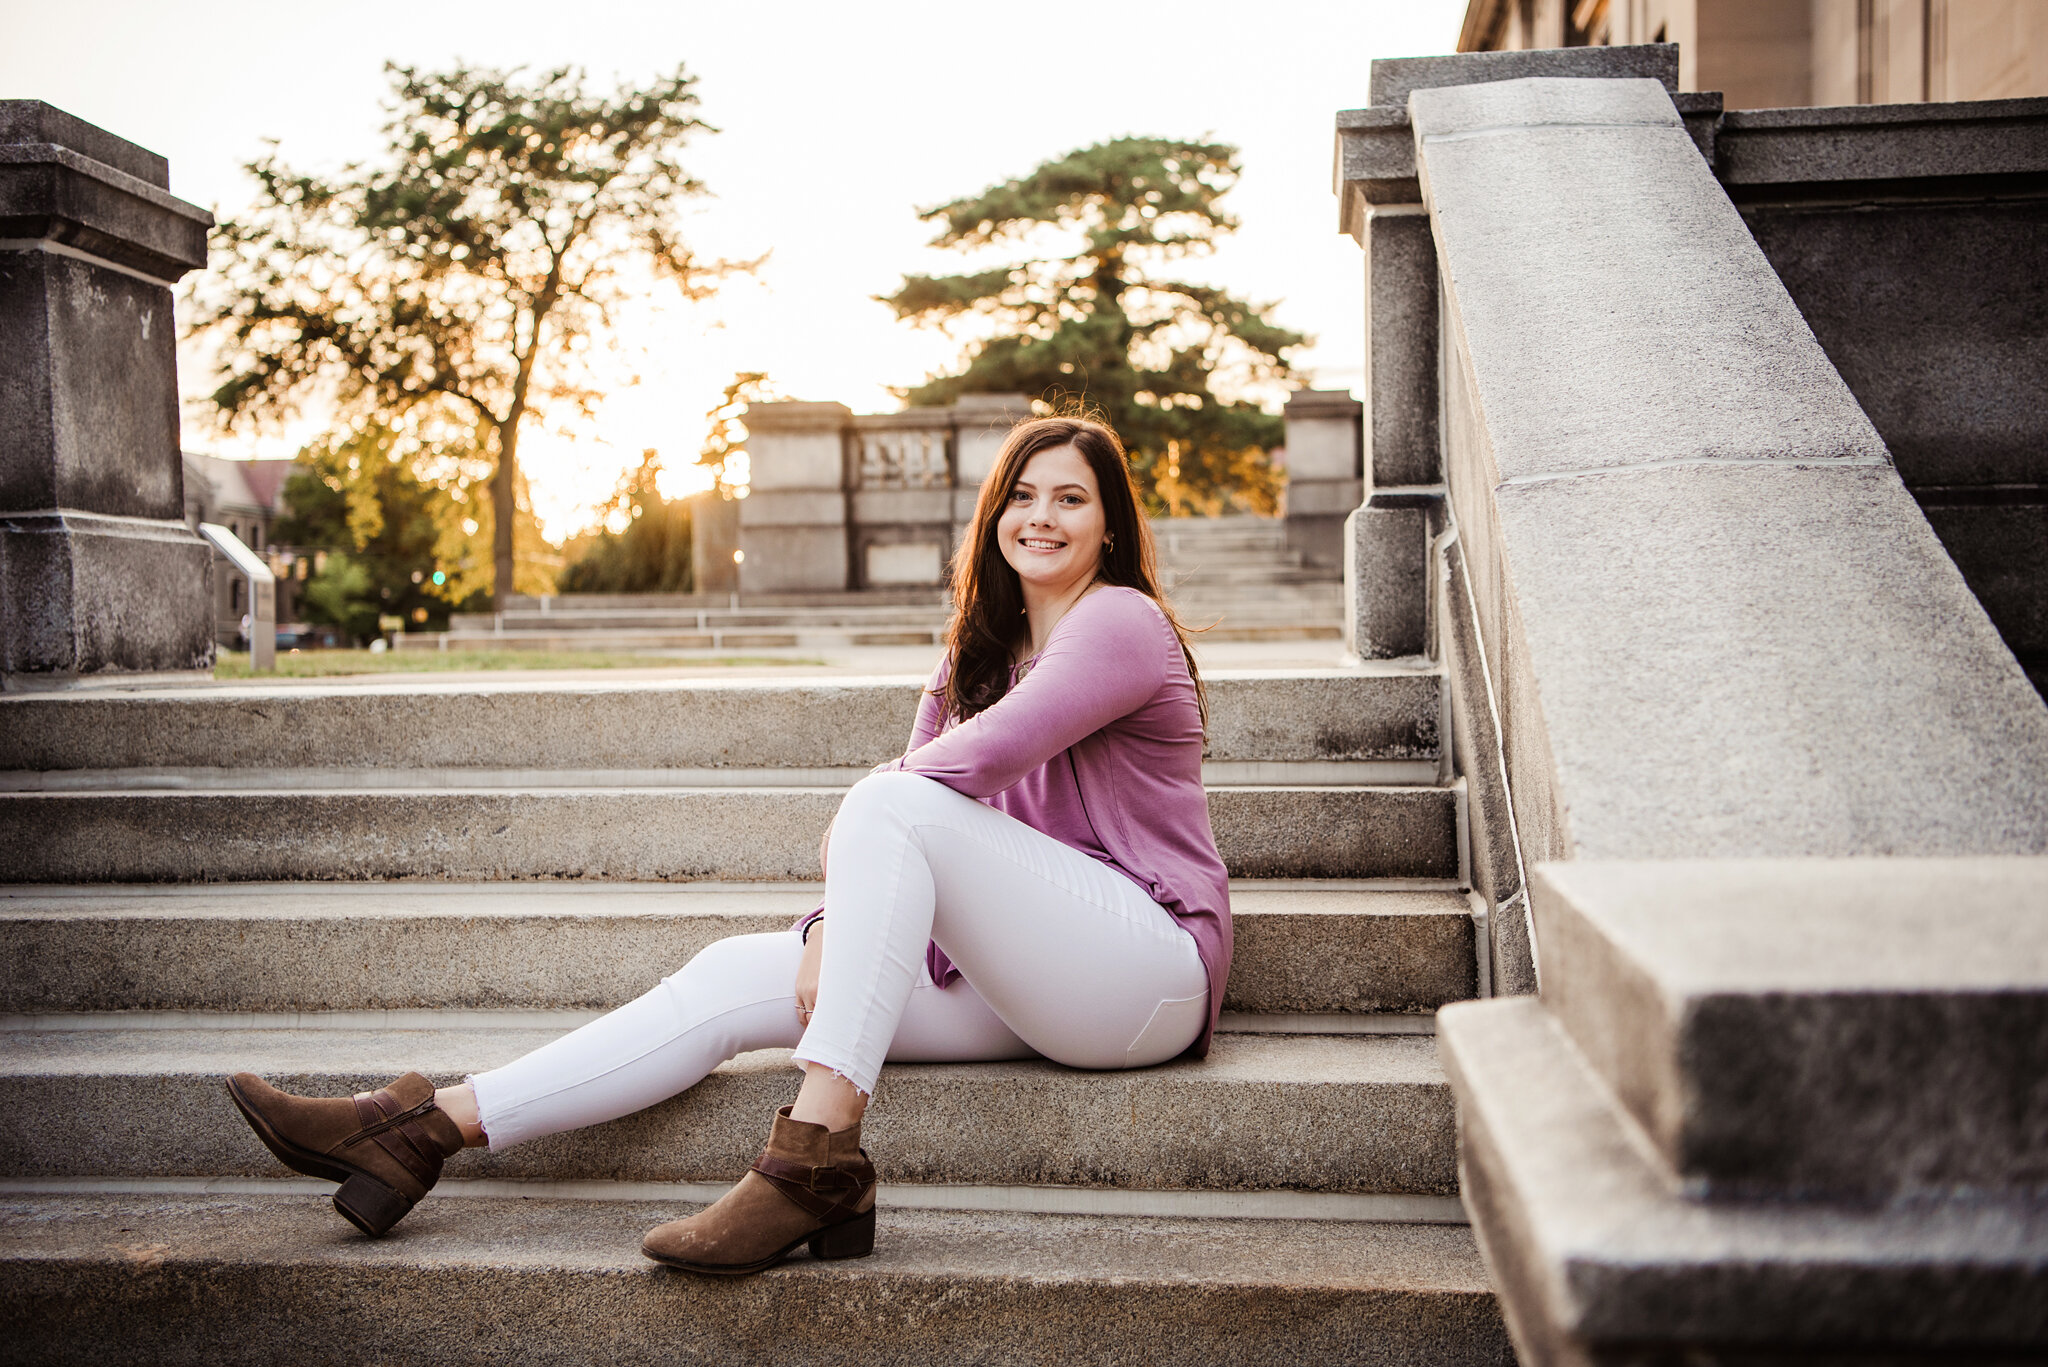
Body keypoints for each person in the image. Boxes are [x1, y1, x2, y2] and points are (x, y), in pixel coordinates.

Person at [225, 415, 1233, 1275]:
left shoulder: (1119, 622)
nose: (1041, 517)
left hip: (1143, 973)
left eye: (1070, 498)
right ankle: (420, 1129)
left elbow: (946, 780)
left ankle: (816, 1155)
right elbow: (917, 809)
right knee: (727, 975)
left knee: (884, 803)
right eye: (1021, 495)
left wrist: (843, 885)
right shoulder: (975, 649)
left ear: (1108, 528)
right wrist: (828, 925)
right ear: (993, 516)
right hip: (1033, 981)